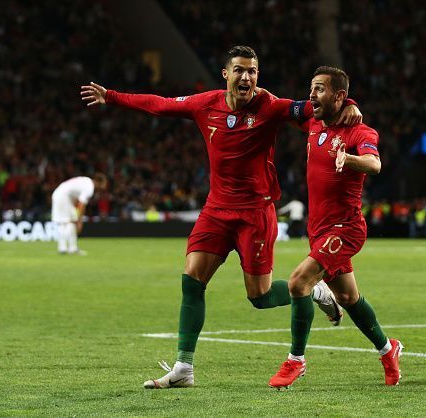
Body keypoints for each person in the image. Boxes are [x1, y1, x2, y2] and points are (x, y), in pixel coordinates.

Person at [80, 46, 362, 389]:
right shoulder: (205, 104)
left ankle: (314, 292)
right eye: (240, 70)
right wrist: (112, 96)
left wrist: (348, 106)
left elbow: (316, 108)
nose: (247, 77)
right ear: (226, 74)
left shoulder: (270, 105)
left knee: (259, 297)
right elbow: (160, 104)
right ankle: (184, 368)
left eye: (253, 71)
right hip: (216, 209)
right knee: (191, 279)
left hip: (255, 212)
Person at [268, 66, 403, 389]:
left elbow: (375, 163)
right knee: (348, 297)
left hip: (345, 229)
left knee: (299, 282)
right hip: (319, 229)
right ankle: (388, 350)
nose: (311, 95)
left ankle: (295, 361)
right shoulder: (313, 122)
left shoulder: (360, 133)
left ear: (338, 96)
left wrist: (352, 160)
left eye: (319, 89)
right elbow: (277, 107)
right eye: (311, 88)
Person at [51, 174, 107, 255]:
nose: (103, 187)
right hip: (62, 196)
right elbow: (81, 204)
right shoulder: (89, 188)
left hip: (63, 195)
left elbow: (75, 196)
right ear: (98, 182)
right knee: (65, 222)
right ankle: (65, 248)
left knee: (68, 221)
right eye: (103, 184)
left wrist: (76, 218)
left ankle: (69, 248)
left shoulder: (87, 181)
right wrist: (79, 221)